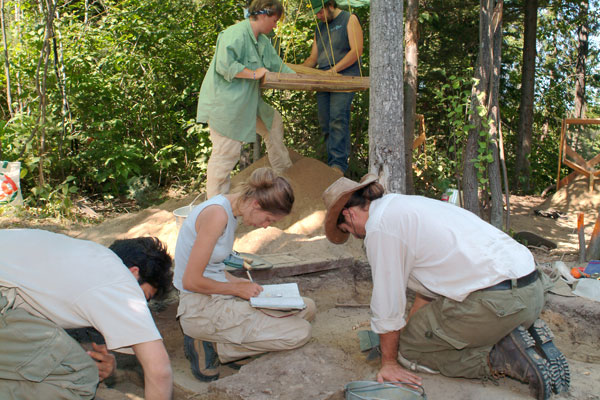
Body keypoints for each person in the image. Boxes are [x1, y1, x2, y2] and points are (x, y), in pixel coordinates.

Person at [322, 175, 569, 400]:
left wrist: (389, 362)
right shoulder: (405, 206)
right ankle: (519, 336)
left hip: (500, 303)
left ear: (349, 215)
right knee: (413, 336)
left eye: (349, 231)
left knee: (408, 351)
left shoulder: (380, 227)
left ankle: (500, 356)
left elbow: (387, 306)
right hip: (530, 293)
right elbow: (428, 287)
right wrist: (413, 329)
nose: (356, 236)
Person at [174, 167, 316, 381]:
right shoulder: (216, 215)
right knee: (300, 332)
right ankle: (214, 345)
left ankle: (230, 343)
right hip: (199, 307)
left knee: (307, 307)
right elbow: (191, 280)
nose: (266, 226)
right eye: (268, 219)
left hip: (217, 296)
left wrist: (238, 282)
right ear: (256, 204)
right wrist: (236, 289)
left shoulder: (229, 211)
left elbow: (213, 269)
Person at [0, 230, 174, 400]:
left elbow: (38, 338)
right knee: (79, 376)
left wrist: (86, 355)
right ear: (133, 272)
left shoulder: (83, 260)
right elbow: (159, 370)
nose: (140, 306)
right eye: (144, 297)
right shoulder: (120, 280)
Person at [197, 0, 295, 199]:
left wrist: (305, 82)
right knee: (226, 154)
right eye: (275, 20)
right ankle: (214, 205)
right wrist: (253, 74)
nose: (276, 25)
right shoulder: (235, 34)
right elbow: (224, 65)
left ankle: (284, 176)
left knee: (273, 122)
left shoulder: (264, 41)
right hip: (226, 104)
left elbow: (280, 68)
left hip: (249, 102)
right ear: (264, 15)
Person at [302, 0, 363, 174]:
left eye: (320, 11)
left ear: (330, 5)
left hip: (344, 78)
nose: (318, 16)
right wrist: (293, 70)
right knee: (325, 121)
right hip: (323, 79)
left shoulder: (349, 19)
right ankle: (331, 164)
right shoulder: (319, 27)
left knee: (337, 119)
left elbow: (357, 50)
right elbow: (313, 59)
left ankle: (338, 166)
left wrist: (334, 70)